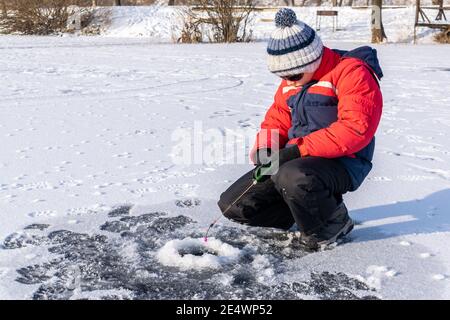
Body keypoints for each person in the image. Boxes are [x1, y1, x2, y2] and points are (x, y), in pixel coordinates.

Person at [217, 8, 383, 251]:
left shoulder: (351, 73)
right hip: (296, 161)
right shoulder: (292, 82)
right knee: (235, 204)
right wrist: (267, 148)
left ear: (311, 59)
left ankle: (332, 223)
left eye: (293, 74)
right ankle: (301, 209)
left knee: (294, 176)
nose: (289, 81)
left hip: (344, 162)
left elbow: (355, 129)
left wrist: (296, 151)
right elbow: (276, 118)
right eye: (282, 75)